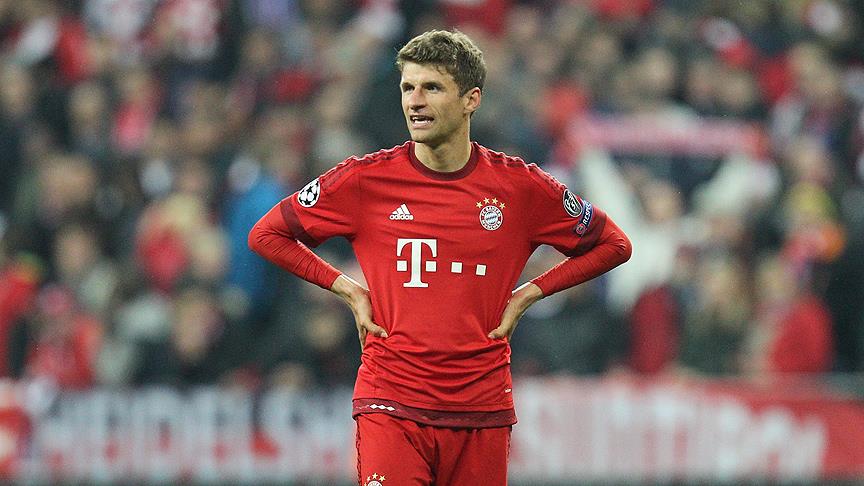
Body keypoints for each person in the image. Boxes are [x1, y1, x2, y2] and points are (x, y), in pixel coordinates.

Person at [249, 30, 631, 486]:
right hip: (391, 402)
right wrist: (347, 289)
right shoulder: (365, 180)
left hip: (481, 409)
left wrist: (530, 293)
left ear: (471, 99)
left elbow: (613, 245)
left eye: (431, 87)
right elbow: (267, 234)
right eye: (408, 88)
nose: (415, 101)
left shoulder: (520, 188)